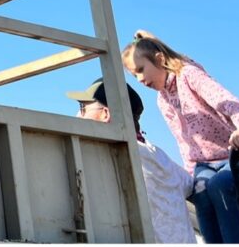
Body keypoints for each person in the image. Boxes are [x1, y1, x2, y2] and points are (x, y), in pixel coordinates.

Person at [123, 30, 239, 243]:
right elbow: (184, 141)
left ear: (159, 59)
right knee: (200, 192)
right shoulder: (163, 101)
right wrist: (190, 175)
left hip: (233, 155)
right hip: (204, 164)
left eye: (141, 70)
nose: (140, 79)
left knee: (219, 186)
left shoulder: (188, 75)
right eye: (134, 75)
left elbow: (225, 100)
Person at [67, 77, 195, 243]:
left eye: (83, 108)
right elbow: (192, 186)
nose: (78, 115)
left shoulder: (104, 154)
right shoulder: (159, 156)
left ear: (106, 114)